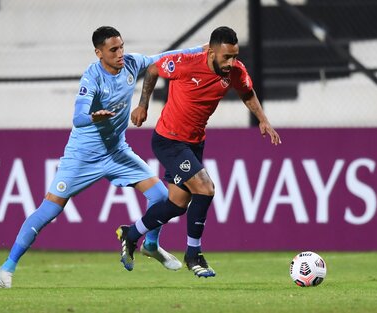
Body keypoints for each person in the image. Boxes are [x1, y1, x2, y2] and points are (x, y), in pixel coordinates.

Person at [0, 26, 206, 288]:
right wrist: (93, 116)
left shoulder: (130, 64)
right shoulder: (92, 78)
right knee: (49, 209)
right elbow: (78, 117)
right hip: (83, 156)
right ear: (99, 53)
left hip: (117, 152)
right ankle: (7, 267)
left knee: (161, 196)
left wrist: (199, 50)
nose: (120, 54)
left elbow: (163, 58)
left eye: (122, 47)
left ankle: (151, 246)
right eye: (113, 50)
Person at [116, 26, 281, 278]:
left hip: (194, 143)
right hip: (169, 140)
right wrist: (142, 106)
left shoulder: (235, 70)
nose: (231, 62)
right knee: (205, 188)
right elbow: (152, 69)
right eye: (226, 57)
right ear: (211, 52)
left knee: (177, 204)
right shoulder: (186, 63)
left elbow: (247, 93)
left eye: (235, 56)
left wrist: (263, 119)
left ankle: (132, 233)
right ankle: (193, 254)